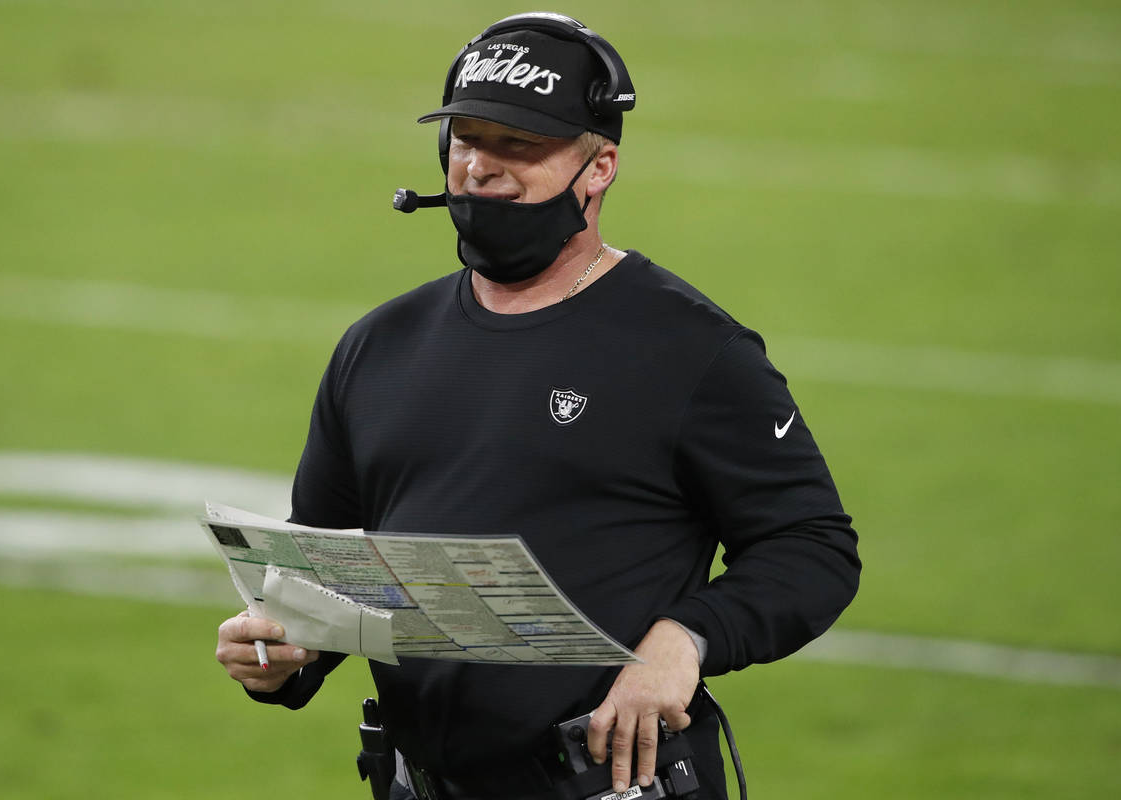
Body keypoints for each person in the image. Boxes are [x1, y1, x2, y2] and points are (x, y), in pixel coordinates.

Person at [216, 12, 860, 800]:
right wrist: (280, 655)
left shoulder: (689, 348)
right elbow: (327, 575)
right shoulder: (378, 345)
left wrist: (686, 638)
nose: (481, 168)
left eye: (520, 146)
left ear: (599, 168)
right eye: (466, 140)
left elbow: (812, 545)